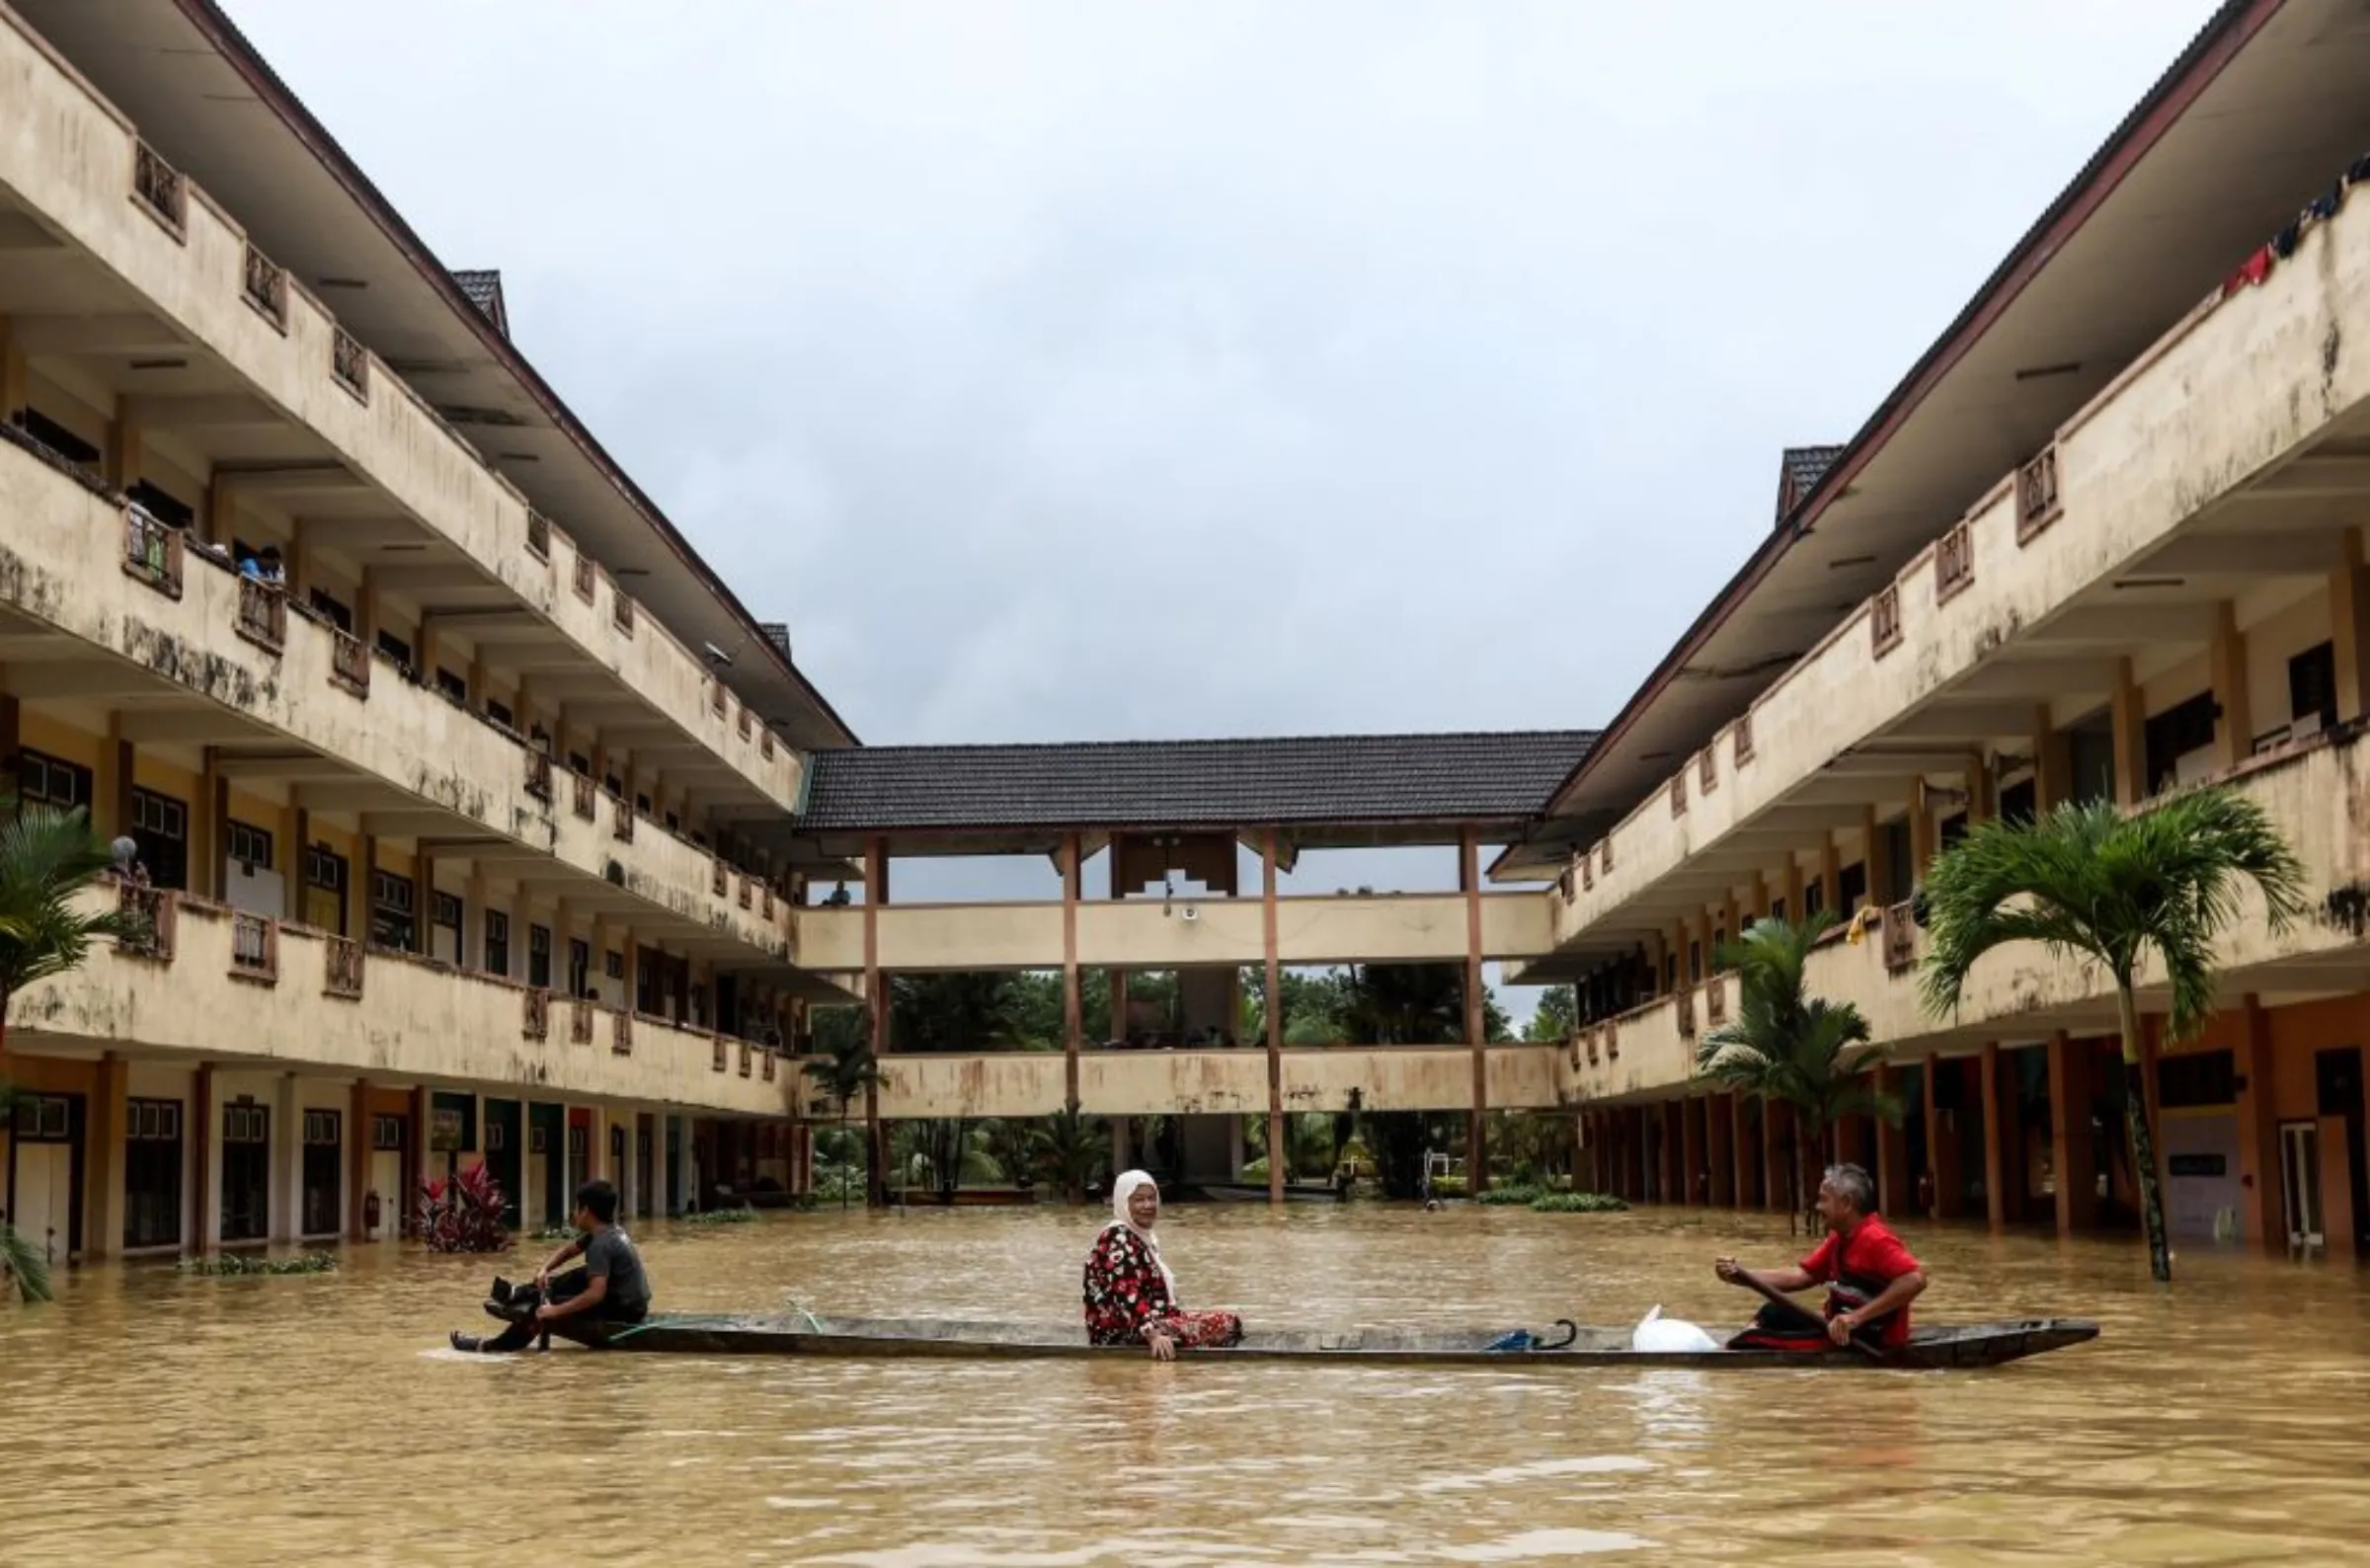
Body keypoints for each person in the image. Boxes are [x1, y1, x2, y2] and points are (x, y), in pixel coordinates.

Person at [1714, 1162, 1926, 1353]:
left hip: (1869, 1337)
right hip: (1835, 1327)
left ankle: (1732, 1348)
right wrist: (1740, 1276)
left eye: (1823, 1200)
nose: (1817, 1207)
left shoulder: (1875, 1238)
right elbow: (1802, 1276)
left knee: (1750, 1340)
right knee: (1771, 1312)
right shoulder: (1839, 1238)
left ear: (1846, 1203)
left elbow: (1914, 1280)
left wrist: (1855, 1318)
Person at [450, 1179, 651, 1353]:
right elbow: (568, 1251)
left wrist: (555, 1311)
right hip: (631, 1301)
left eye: (577, 1208)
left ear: (586, 1211)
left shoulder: (601, 1244)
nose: (574, 1214)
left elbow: (595, 1295)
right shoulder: (608, 1232)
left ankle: (489, 1347)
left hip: (624, 1309)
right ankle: (519, 1292)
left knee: (540, 1307)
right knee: (576, 1277)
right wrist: (544, 1269)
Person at [1081, 1170, 1243, 1359]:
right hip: (1123, 1331)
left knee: (1230, 1323)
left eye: (1151, 1198)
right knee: (1225, 1325)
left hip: (1148, 1322)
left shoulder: (1140, 1237)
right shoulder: (1118, 1238)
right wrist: (1153, 1334)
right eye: (1139, 1200)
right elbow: (1127, 1294)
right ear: (1124, 1203)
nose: (1148, 1205)